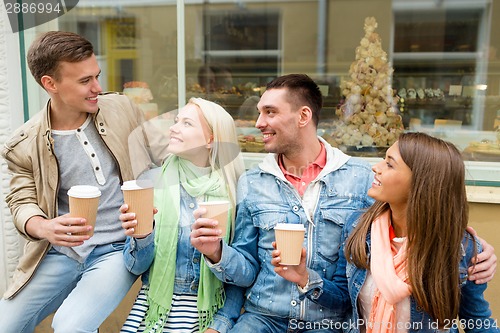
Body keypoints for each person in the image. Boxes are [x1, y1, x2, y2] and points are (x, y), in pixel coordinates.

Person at [190, 74, 497, 333]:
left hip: (330, 322)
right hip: (264, 318)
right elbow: (245, 269)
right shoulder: (254, 182)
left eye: (270, 112)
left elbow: (428, 217)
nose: (258, 123)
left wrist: (471, 247)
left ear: (303, 116)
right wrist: (217, 257)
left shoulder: (361, 179)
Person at [0, 31, 157, 332]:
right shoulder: (22, 143)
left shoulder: (121, 109)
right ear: (51, 84)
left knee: (70, 326)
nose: (97, 88)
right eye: (85, 81)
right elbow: (21, 202)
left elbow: (158, 159)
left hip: (117, 249)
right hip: (62, 252)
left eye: (96, 76)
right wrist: (44, 227)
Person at [272, 132, 499, 332]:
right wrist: (304, 277)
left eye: (390, 164)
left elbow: (476, 322)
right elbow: (343, 300)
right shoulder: (358, 227)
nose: (376, 167)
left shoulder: (462, 250)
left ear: (421, 183)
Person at [120, 97, 245, 333]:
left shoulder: (236, 190)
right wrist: (142, 235)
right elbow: (135, 267)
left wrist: (220, 325)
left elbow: (243, 276)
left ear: (211, 139)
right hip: (153, 311)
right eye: (176, 121)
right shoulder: (151, 182)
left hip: (209, 314)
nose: (173, 128)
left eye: (187, 123)